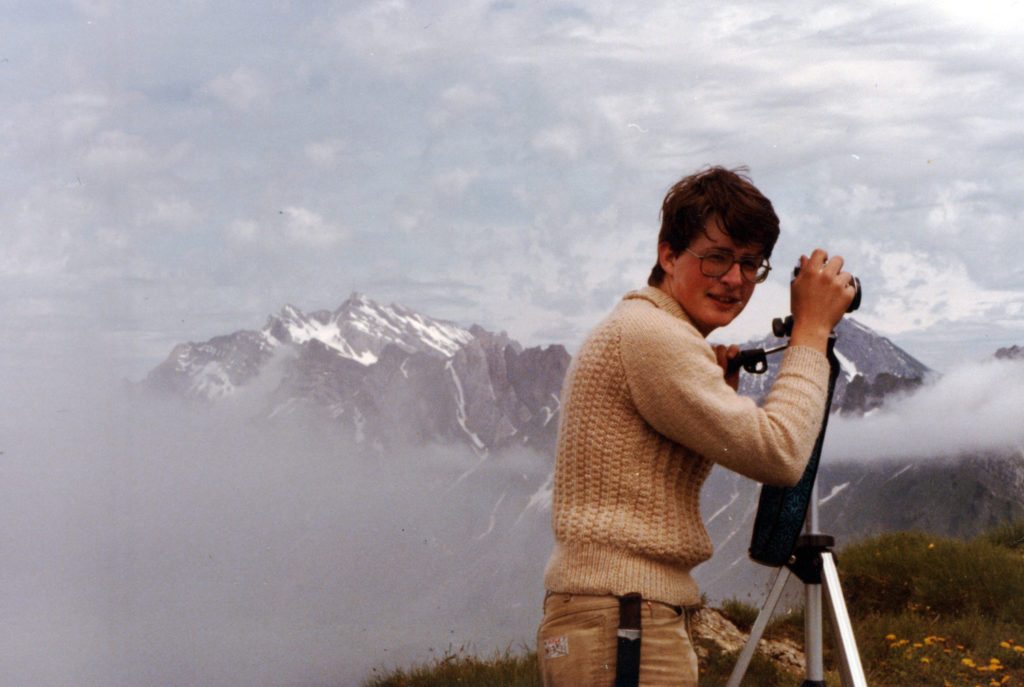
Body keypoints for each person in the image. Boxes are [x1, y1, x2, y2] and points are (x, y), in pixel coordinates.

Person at [536, 166, 856, 686]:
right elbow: (780, 455)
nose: (734, 279)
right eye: (717, 258)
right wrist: (812, 332)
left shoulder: (649, 329)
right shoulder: (651, 334)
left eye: (751, 264)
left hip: (615, 615)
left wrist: (716, 395)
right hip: (624, 620)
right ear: (668, 255)